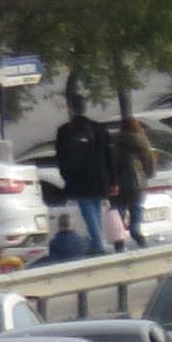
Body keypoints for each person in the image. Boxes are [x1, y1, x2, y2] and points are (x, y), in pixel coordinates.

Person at [51, 100, 112, 255]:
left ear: (71, 109)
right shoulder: (99, 128)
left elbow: (60, 157)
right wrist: (110, 178)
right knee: (96, 209)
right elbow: (108, 155)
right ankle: (98, 242)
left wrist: (66, 177)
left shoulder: (65, 130)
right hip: (98, 177)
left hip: (78, 178)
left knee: (88, 211)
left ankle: (99, 245)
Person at [109, 118, 155, 250]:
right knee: (136, 209)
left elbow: (111, 165)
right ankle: (137, 233)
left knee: (119, 213)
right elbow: (149, 166)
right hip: (138, 184)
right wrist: (147, 175)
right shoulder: (142, 142)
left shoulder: (114, 144)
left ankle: (119, 243)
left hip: (119, 186)